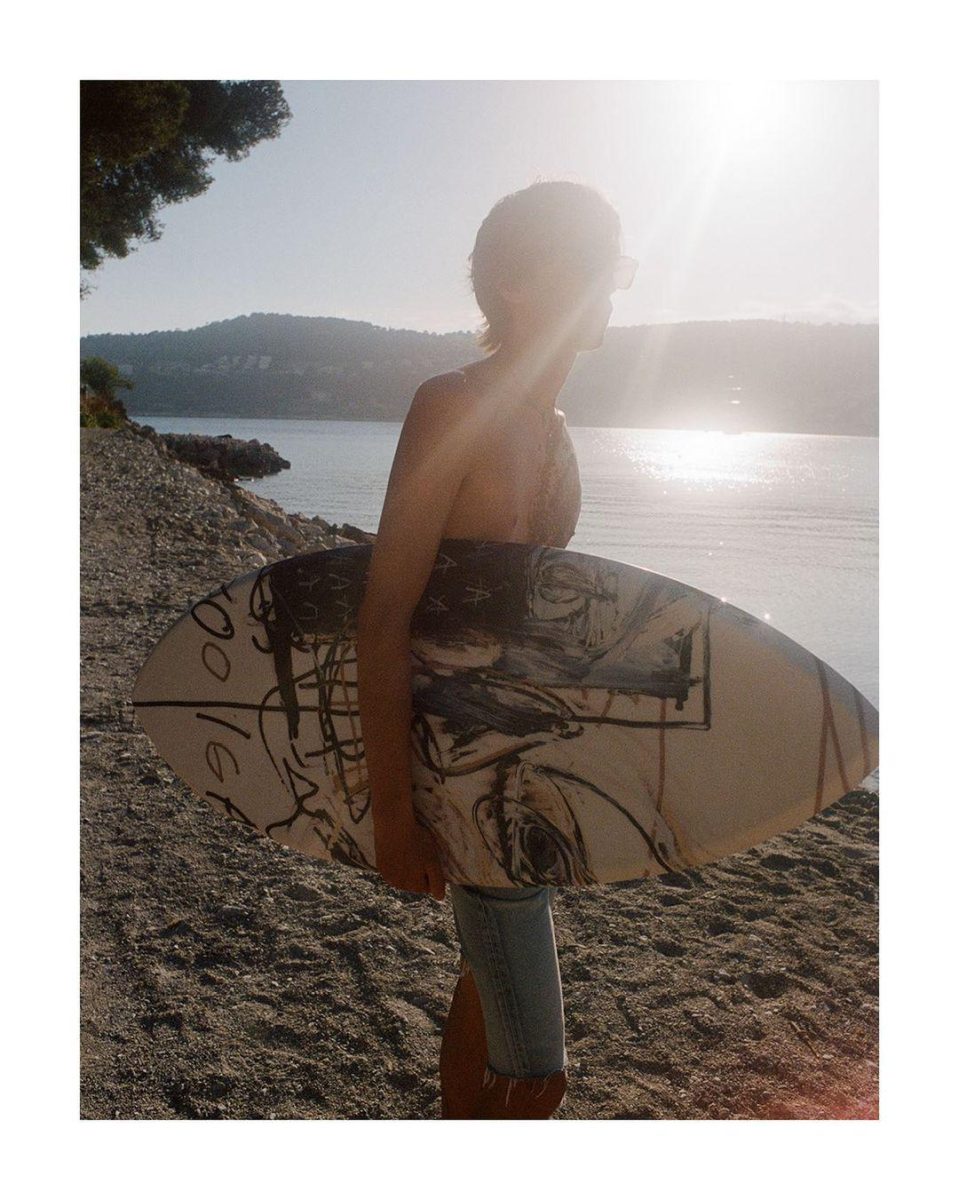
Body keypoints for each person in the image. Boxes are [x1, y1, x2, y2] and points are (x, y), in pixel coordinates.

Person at [355, 179, 638, 1119]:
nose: (608, 285)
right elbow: (384, 612)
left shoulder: (556, 432)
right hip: (455, 769)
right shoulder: (453, 406)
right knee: (536, 1072)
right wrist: (392, 815)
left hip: (523, 771)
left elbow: (536, 622)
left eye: (613, 265)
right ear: (513, 283)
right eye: (587, 263)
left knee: (484, 983)